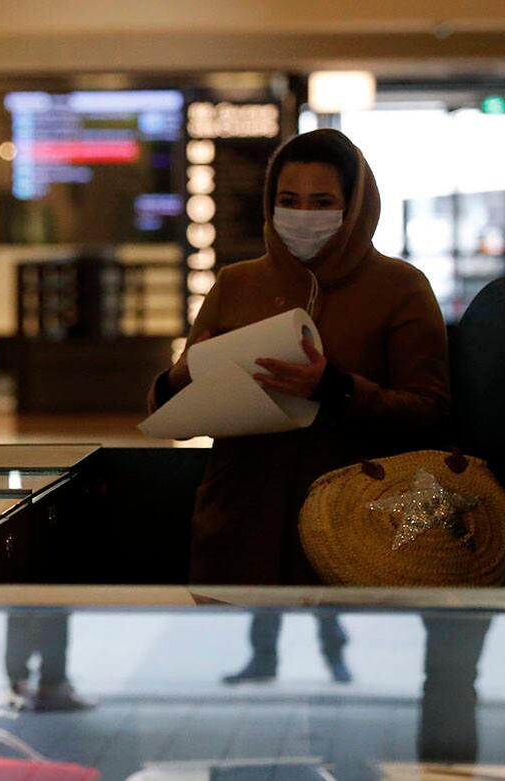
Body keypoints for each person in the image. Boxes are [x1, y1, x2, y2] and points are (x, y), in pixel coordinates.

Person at [147, 129, 449, 676]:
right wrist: (182, 375)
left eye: (323, 202)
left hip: (354, 531)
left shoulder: (401, 288)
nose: (302, 216)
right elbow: (174, 398)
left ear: (355, 206)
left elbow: (430, 410)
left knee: (343, 706)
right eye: (288, 201)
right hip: (240, 522)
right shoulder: (237, 284)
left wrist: (335, 387)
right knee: (237, 715)